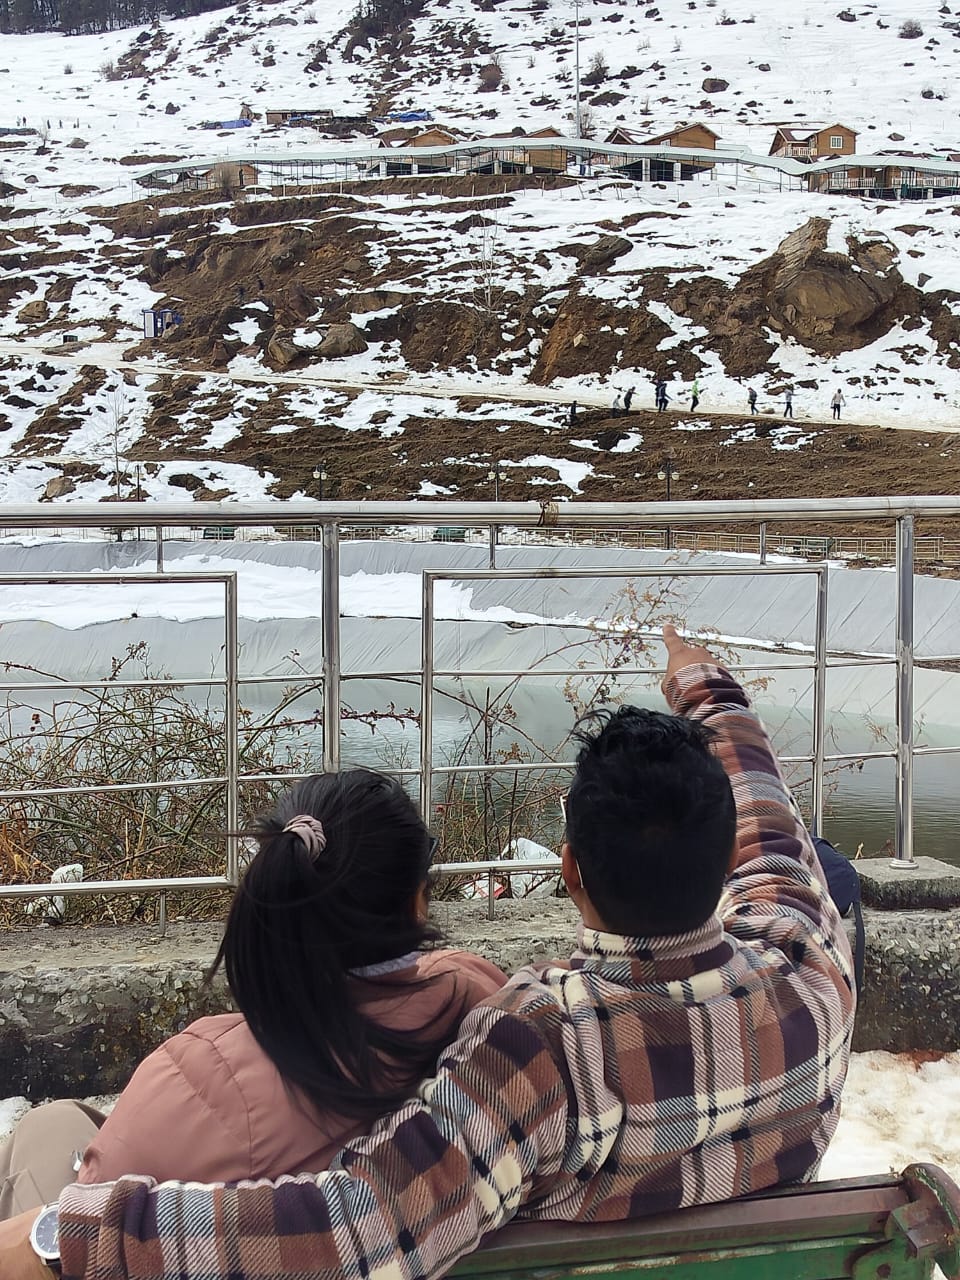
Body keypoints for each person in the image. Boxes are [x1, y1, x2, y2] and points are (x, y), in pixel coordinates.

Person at [3, 627, 856, 1280]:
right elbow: (766, 809)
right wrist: (706, 687)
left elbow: (355, 1231)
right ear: (724, 865)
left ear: (569, 871)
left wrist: (77, 1233)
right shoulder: (809, 961)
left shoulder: (542, 1048)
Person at [0, 770, 505, 1218]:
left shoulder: (202, 1074)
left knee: (45, 1128)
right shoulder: (481, 999)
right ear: (416, 896)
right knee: (61, 1122)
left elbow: (93, 1226)